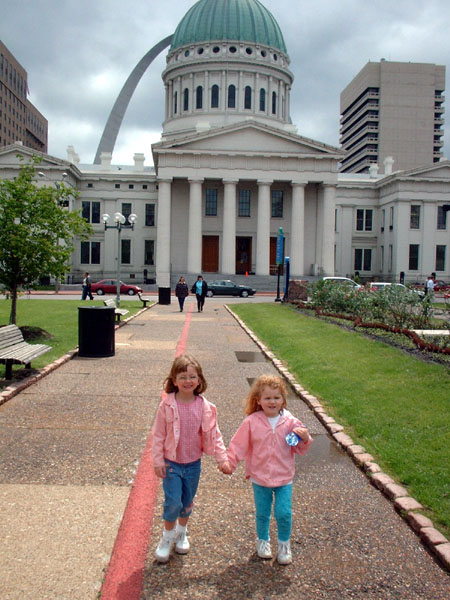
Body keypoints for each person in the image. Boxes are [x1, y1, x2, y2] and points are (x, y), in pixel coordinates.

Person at [152, 354, 231, 563]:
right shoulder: (167, 405)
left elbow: (216, 434)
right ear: (174, 380)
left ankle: (181, 532)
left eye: (192, 376)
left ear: (199, 380)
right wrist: (158, 461)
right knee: (173, 502)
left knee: (186, 502)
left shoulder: (206, 407)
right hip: (171, 463)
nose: (188, 381)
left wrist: (222, 459)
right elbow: (158, 435)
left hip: (193, 464)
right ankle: (167, 537)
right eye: (183, 376)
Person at [226, 374, 313, 565]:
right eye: (267, 398)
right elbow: (239, 444)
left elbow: (299, 447)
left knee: (284, 512)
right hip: (260, 477)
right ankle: (263, 541)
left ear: (283, 399)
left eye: (276, 397)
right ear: (258, 400)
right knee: (262, 512)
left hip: (284, 478)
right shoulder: (252, 421)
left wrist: (305, 438)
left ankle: (284, 545)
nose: (272, 402)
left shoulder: (290, 422)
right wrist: (230, 462)